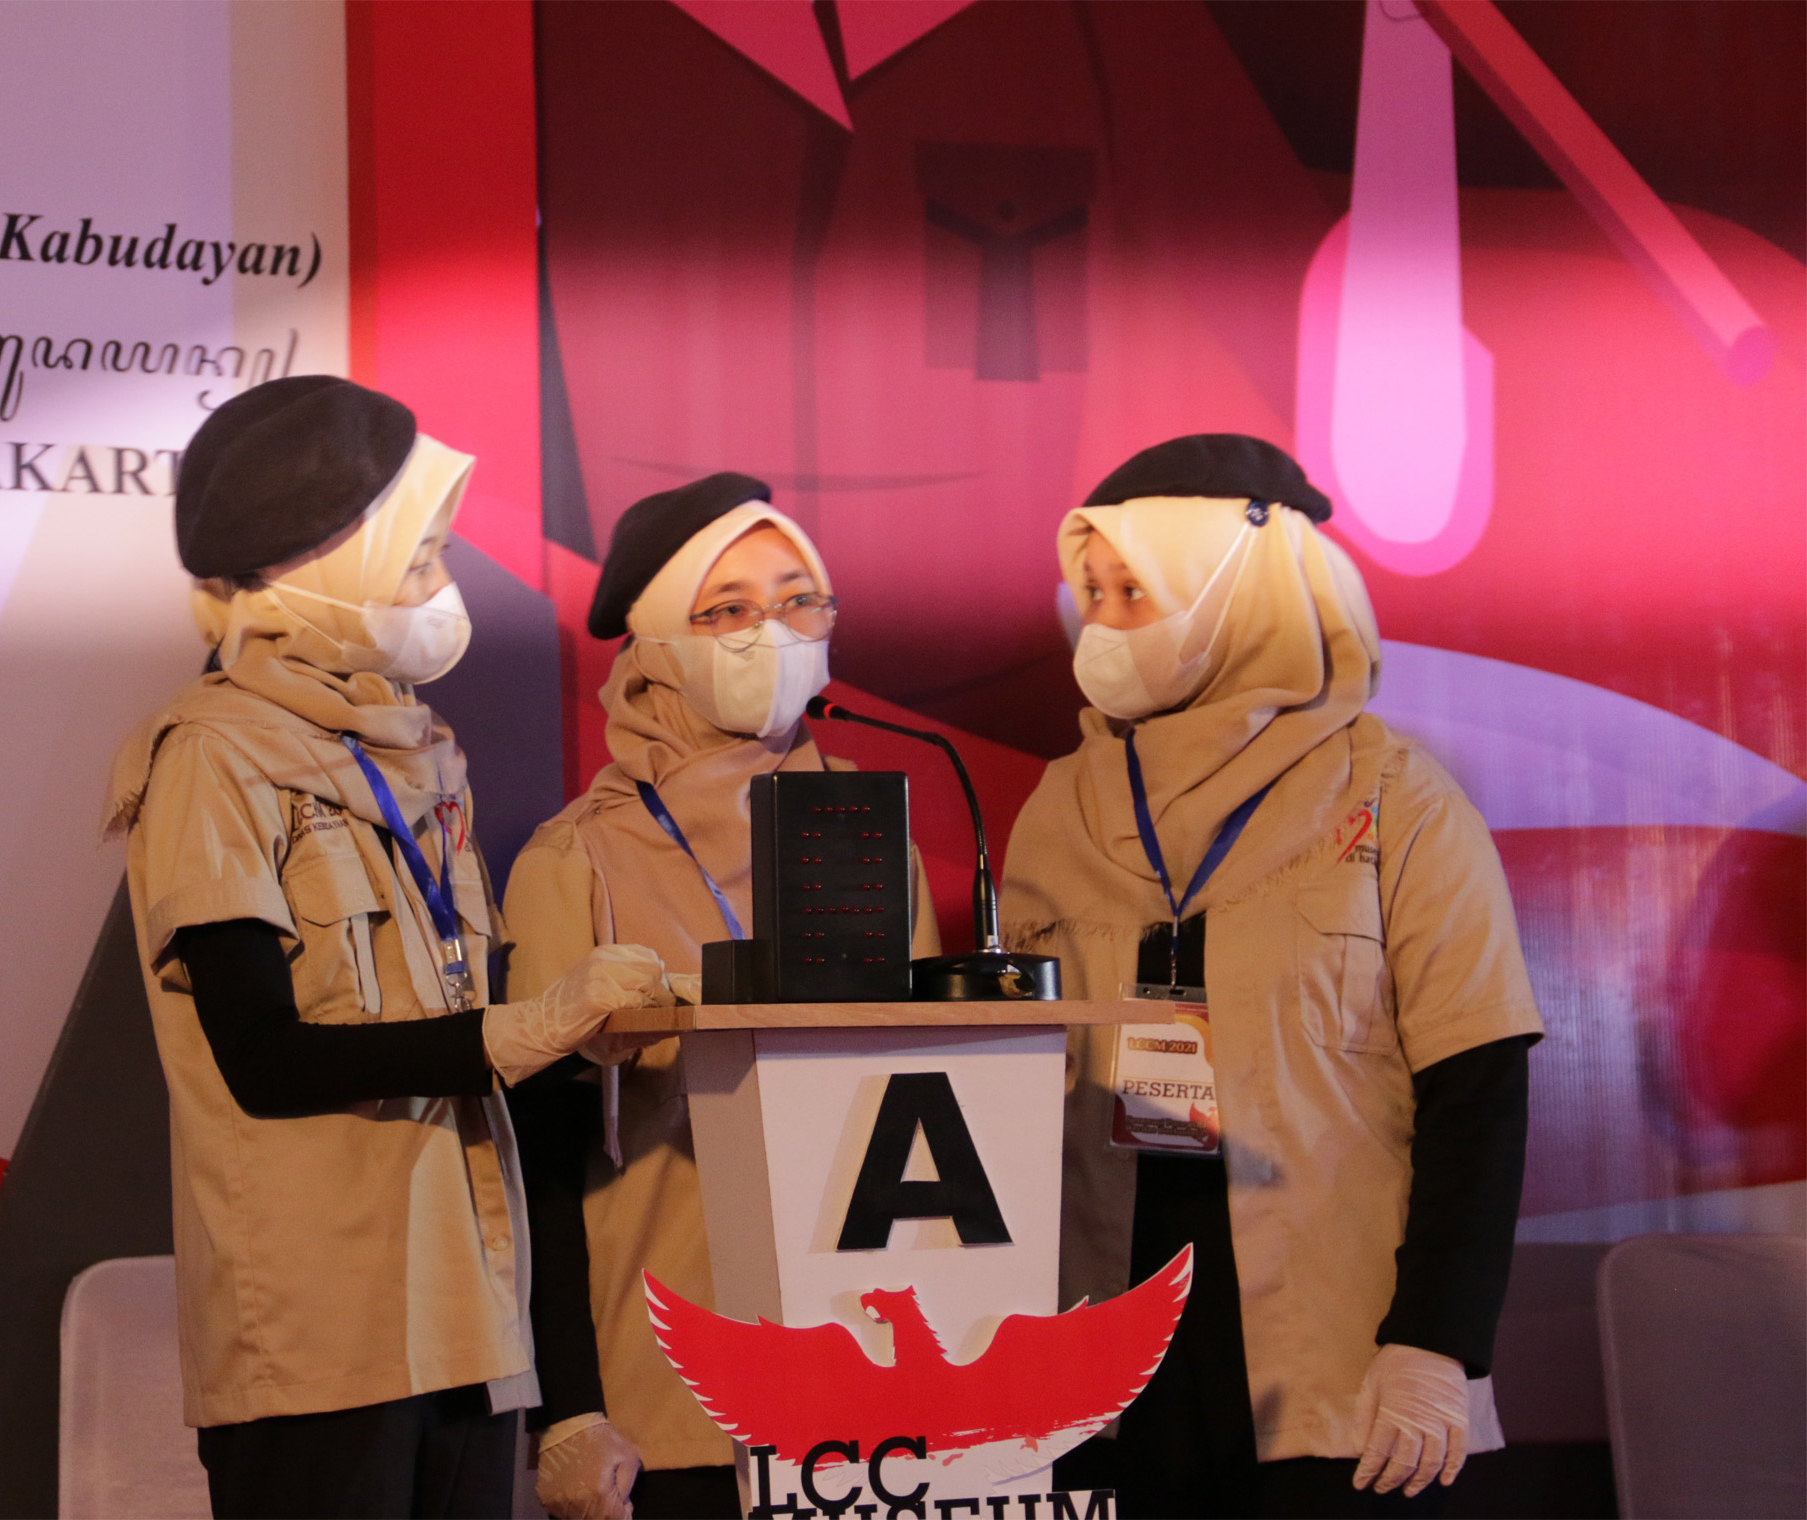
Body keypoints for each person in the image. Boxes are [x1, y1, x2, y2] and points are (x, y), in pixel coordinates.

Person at [104, 376, 673, 1520]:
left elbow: (447, 1013)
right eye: (418, 562)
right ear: (315, 563)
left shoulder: (420, 750)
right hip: (321, 1335)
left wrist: (576, 1035)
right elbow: (264, 1056)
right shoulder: (211, 756)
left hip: (467, 1312)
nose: (443, 588)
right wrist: (525, 1027)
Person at [1002, 435, 1541, 1520]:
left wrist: (1436, 1341)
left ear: (1233, 598)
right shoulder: (1056, 806)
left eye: (1134, 591)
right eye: (1091, 593)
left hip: (1341, 1364)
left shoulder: (1396, 794)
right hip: (1108, 1360)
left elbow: (1476, 1088)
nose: (1102, 625)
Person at [500, 475, 942, 1520]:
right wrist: (567, 1409)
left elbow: (932, 1106)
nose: (770, 635)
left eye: (798, 600)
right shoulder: (576, 858)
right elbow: (537, 1162)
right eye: (728, 609)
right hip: (667, 1390)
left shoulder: (877, 838)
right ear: (657, 642)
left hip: (867, 1382)